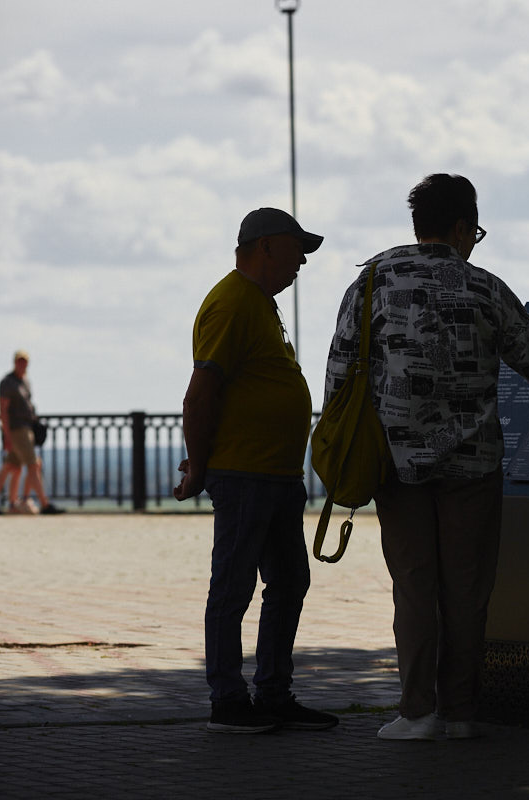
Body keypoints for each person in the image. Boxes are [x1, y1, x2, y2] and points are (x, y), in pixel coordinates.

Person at [325, 174, 529, 741]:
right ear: (460, 227)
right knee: (466, 589)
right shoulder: (482, 287)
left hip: (397, 464)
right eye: (474, 231)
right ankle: (459, 714)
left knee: (414, 586)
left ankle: (416, 714)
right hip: (472, 465)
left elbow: (339, 376)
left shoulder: (372, 283)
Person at [173, 208, 338, 734]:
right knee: (233, 587)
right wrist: (199, 466)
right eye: (297, 249)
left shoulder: (259, 305)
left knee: (289, 582)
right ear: (265, 246)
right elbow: (200, 393)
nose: (303, 261)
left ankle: (272, 695)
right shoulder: (232, 303)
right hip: (244, 474)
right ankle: (227, 701)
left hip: (276, 475)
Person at [0, 350, 63, 515]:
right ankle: (44, 504)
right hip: (16, 430)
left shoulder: (25, 381)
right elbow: (3, 410)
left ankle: (13, 504)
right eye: (19, 361)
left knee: (12, 467)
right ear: (14, 362)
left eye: (25, 361)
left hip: (26, 428)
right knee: (34, 464)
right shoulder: (8, 383)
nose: (22, 364)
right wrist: (6, 434)